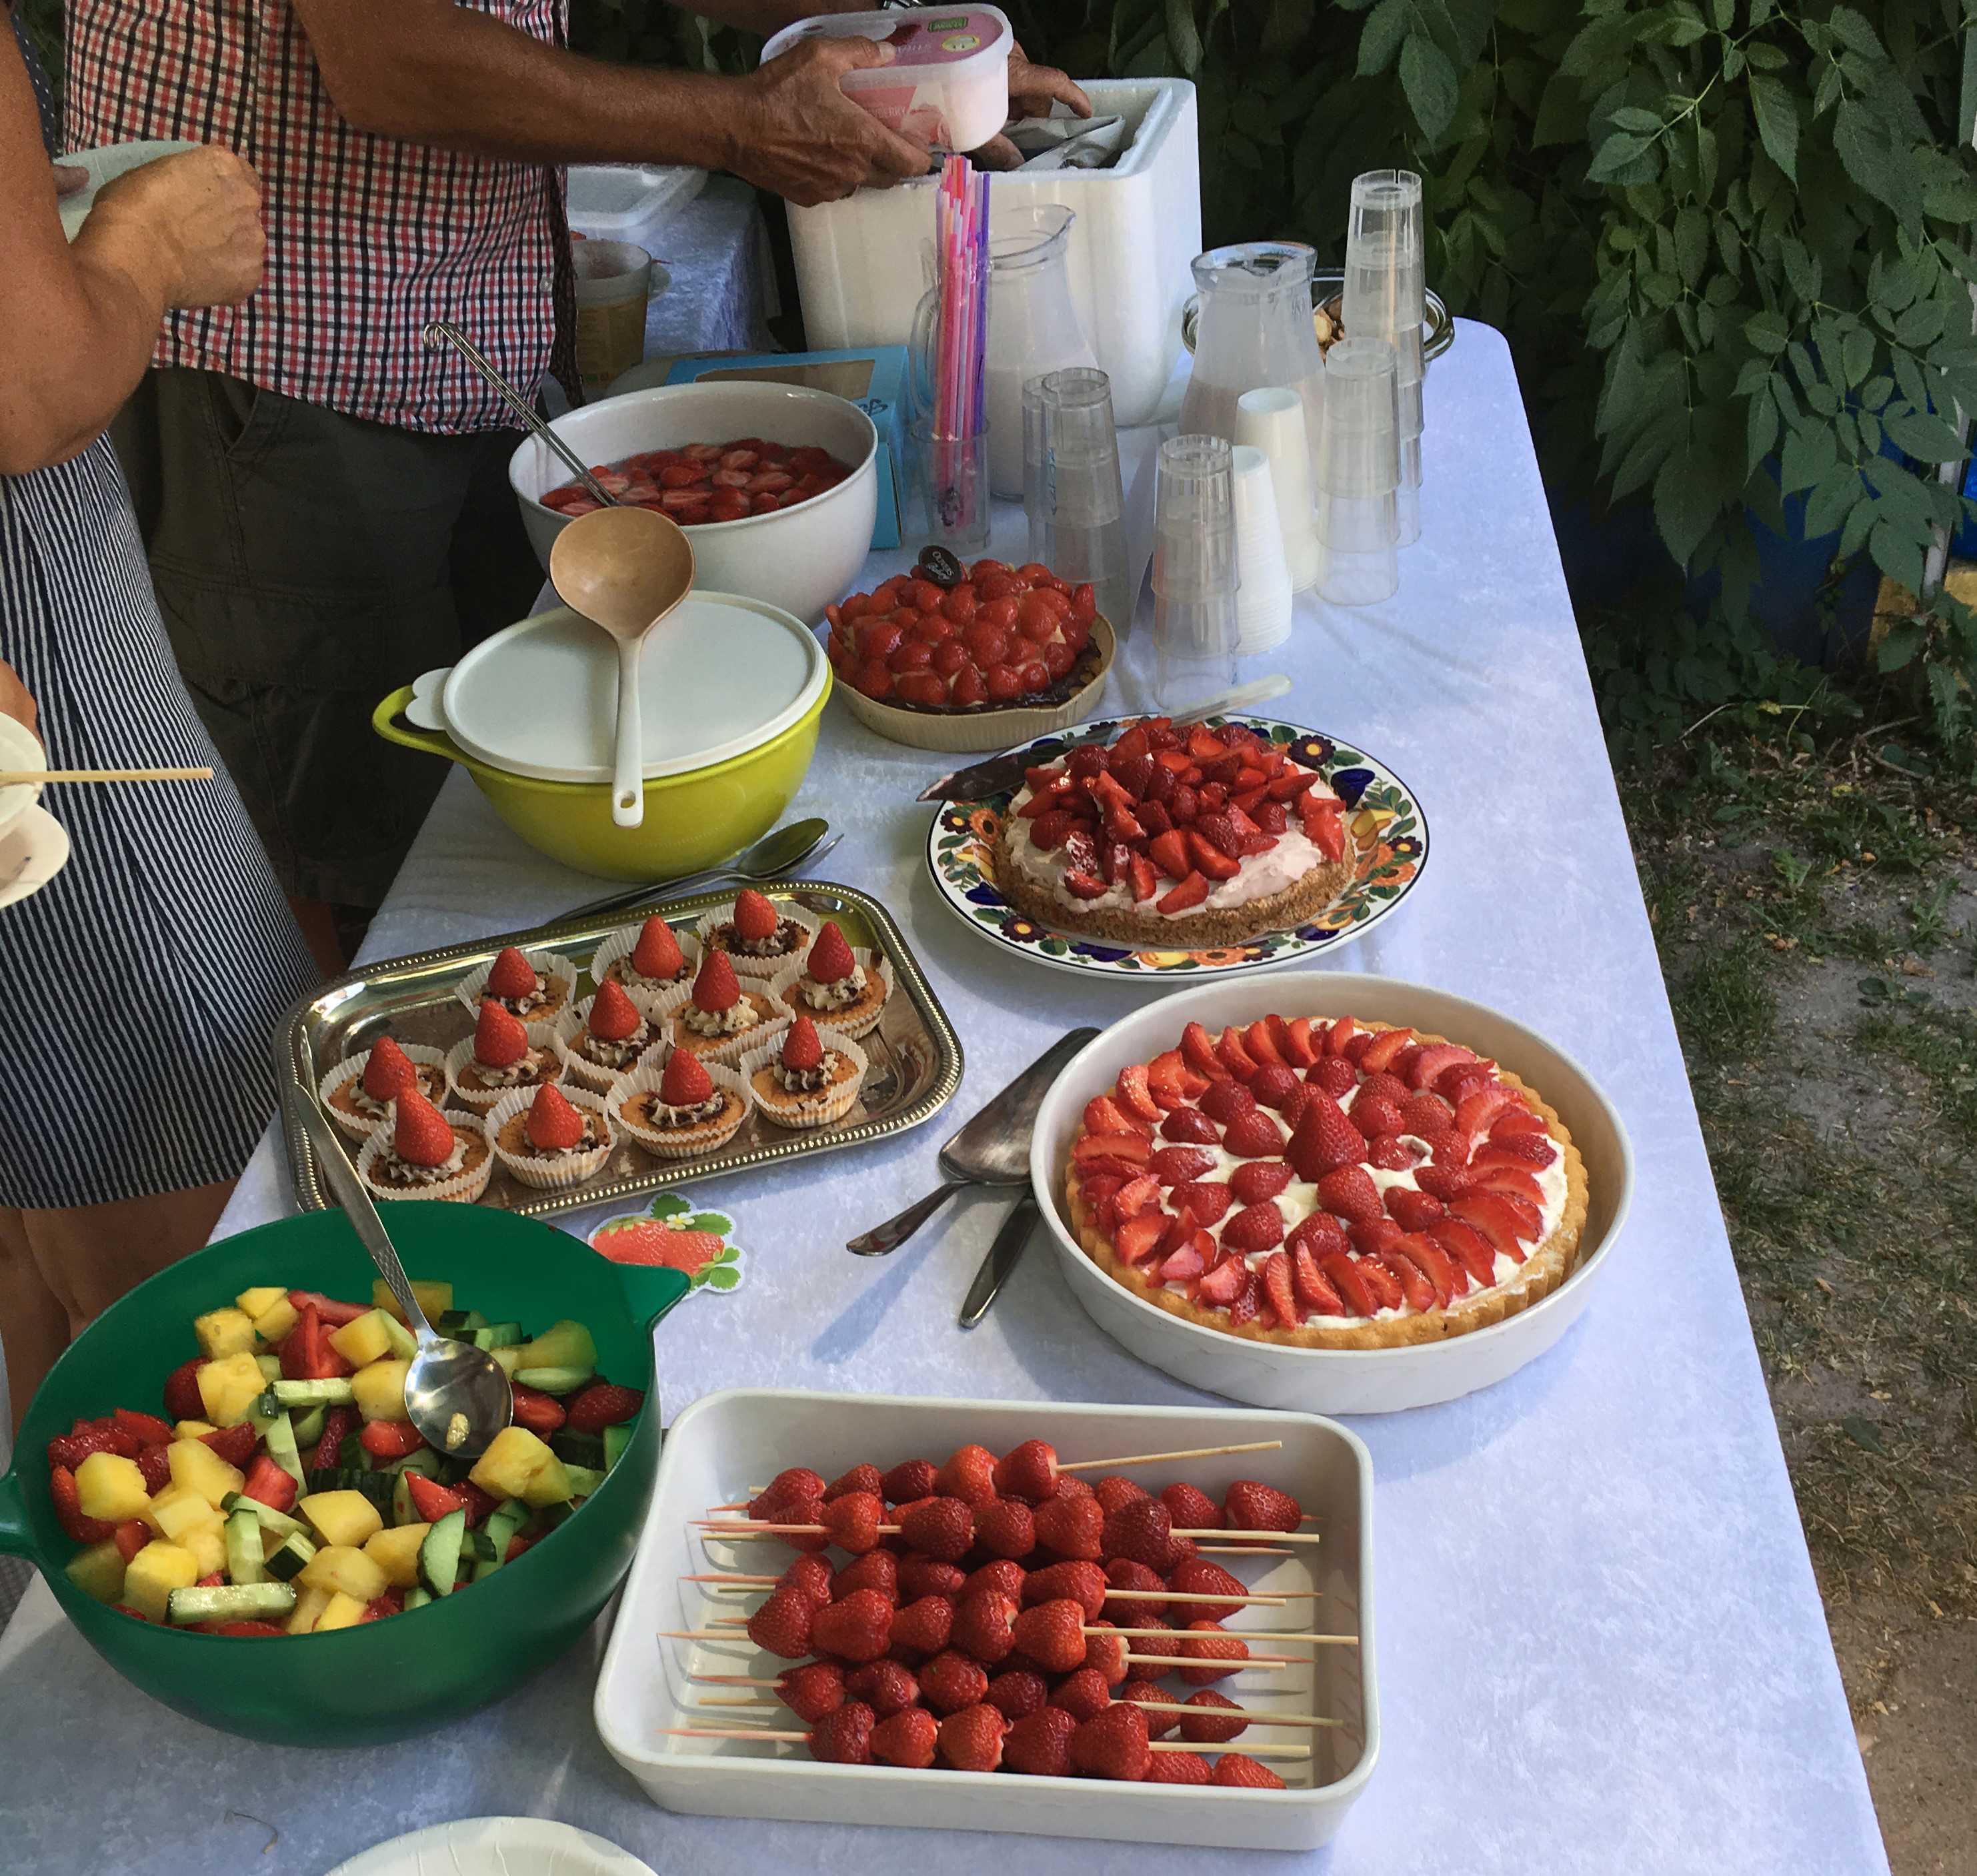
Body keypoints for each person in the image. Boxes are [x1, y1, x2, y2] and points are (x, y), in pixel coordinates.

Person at [67, 0, 1089, 960]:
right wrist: (736, 123)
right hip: (283, 360)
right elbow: (389, 59)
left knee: (514, 783)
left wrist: (909, 50)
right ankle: (377, 1100)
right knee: (363, 848)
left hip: (455, 338)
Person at [0, 10, 320, 1434]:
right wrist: (139, 242)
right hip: (31, 638)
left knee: (38, 1215)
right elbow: (25, 392)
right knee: (189, 1258)